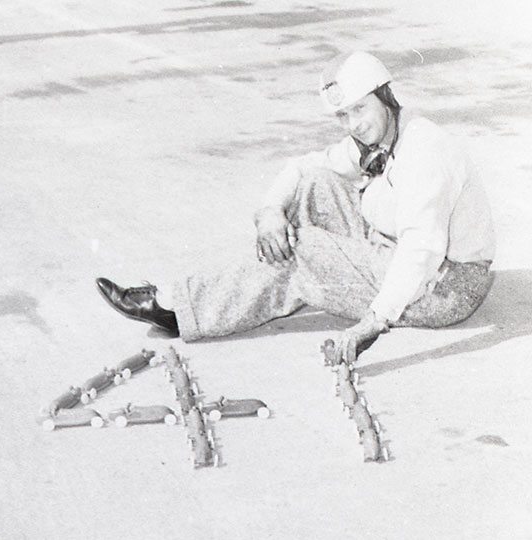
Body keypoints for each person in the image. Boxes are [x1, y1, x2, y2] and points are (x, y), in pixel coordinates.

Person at [96, 51, 495, 364]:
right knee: (312, 186)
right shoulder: (381, 134)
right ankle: (227, 289)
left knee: (303, 252)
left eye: (360, 108)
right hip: (388, 248)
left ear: (387, 97)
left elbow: (421, 249)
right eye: (344, 115)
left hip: (444, 286)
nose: (353, 125)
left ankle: (177, 308)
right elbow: (302, 167)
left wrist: (374, 321)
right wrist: (270, 211)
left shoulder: (423, 148)